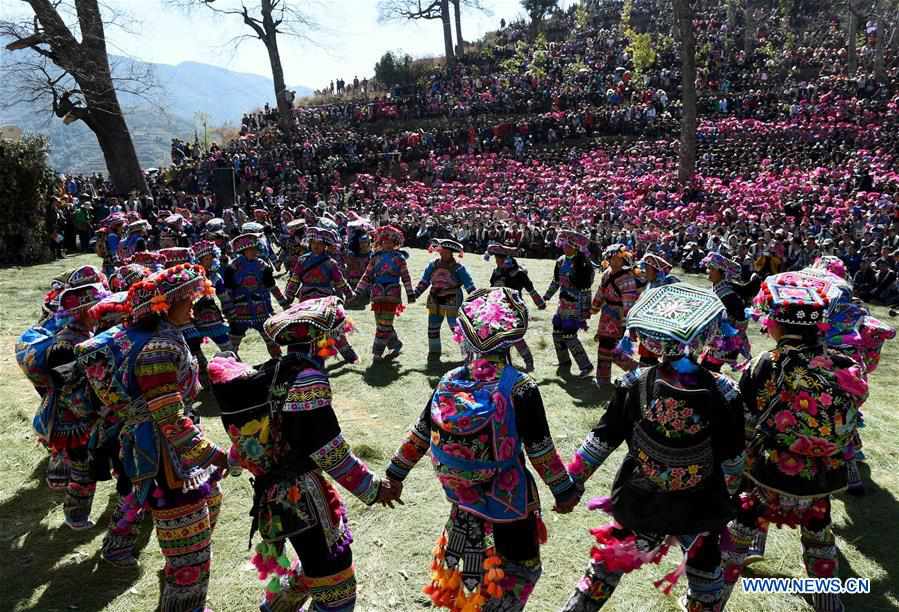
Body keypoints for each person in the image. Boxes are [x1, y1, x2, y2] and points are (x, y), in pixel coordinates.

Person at [386, 287, 580, 612]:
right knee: (520, 571)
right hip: (510, 505)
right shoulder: (520, 386)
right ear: (512, 338)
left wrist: (395, 475)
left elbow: (420, 433)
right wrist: (563, 492)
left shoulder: (449, 380)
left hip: (463, 500)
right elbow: (540, 450)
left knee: (471, 574)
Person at [562, 283, 745, 612]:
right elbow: (733, 460)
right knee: (705, 581)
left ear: (651, 338)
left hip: (640, 497)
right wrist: (728, 497)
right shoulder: (726, 392)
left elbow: (602, 438)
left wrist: (572, 481)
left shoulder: (634, 382)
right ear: (706, 337)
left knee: (605, 569)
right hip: (701, 505)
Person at [214, 296, 399, 612]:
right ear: (321, 338)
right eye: (335, 334)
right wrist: (375, 489)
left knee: (315, 566)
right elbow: (330, 452)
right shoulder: (307, 378)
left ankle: (273, 608)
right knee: (336, 589)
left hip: (274, 496)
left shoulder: (274, 371)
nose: (339, 340)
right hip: (302, 497)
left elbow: (258, 431)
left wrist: (231, 461)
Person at [720, 272, 867, 612]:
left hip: (769, 472)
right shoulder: (841, 364)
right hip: (823, 473)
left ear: (777, 325)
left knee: (740, 531)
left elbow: (745, 421)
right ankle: (828, 603)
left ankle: (710, 599)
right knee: (819, 534)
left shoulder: (766, 364)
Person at [118, 264, 228, 612]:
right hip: (166, 460)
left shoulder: (168, 338)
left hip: (174, 455)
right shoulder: (158, 350)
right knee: (188, 545)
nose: (193, 305)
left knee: (197, 531)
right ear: (163, 306)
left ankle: (181, 601)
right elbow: (170, 420)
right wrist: (214, 454)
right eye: (185, 300)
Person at [354, 225, 416, 360]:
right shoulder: (375, 257)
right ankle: (396, 344)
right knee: (381, 323)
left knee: (384, 324)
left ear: (395, 243)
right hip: (377, 293)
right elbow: (367, 275)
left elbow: (406, 276)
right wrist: (358, 291)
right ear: (380, 242)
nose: (387, 244)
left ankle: (377, 352)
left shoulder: (400, 258)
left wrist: (410, 293)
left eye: (390, 242)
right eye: (384, 241)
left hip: (392, 294)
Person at [223, 232, 287, 358]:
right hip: (239, 313)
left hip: (261, 310)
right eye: (251, 249)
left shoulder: (263, 266)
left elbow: (272, 287)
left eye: (255, 249)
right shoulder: (232, 268)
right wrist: (228, 312)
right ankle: (230, 368)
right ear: (243, 251)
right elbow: (227, 292)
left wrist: (284, 304)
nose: (254, 252)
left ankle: (278, 363)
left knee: (271, 340)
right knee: (232, 345)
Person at [486, 242, 546, 371]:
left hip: (514, 310)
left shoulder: (518, 273)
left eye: (499, 259)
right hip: (497, 310)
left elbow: (531, 289)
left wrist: (540, 303)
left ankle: (529, 362)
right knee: (497, 337)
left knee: (516, 338)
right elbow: (492, 289)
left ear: (506, 259)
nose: (497, 262)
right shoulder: (496, 272)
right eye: (496, 259)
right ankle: (500, 364)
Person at [413, 238, 476, 359]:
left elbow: (469, 283)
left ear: (451, 253)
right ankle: (434, 352)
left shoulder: (458, 268)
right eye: (441, 251)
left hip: (452, 300)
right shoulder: (433, 265)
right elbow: (425, 281)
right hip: (435, 299)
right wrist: (415, 294)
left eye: (446, 252)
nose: (443, 254)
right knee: (433, 326)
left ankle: (468, 353)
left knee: (456, 327)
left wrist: (475, 298)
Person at [543, 229, 594, 378]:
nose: (564, 247)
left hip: (576, 305)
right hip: (563, 304)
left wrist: (585, 313)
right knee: (557, 332)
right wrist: (546, 296)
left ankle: (586, 366)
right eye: (563, 244)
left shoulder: (583, 263)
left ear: (575, 246)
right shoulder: (560, 261)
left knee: (570, 335)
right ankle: (564, 361)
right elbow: (556, 281)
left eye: (568, 244)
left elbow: (586, 289)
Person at [591, 244, 641, 387]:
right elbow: (601, 292)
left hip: (618, 318)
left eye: (617, 259)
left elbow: (629, 303)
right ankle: (603, 379)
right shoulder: (606, 273)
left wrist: (626, 324)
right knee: (603, 347)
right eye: (611, 258)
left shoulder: (627, 279)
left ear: (624, 260)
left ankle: (638, 372)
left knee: (614, 351)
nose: (614, 261)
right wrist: (593, 308)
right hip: (606, 315)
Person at [699, 252, 751, 372]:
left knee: (708, 371)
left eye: (711, 268)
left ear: (722, 273)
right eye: (708, 268)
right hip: (714, 341)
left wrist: (733, 338)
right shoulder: (716, 290)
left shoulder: (728, 295)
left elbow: (741, 321)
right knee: (706, 371)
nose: (708, 271)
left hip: (724, 343)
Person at [632, 254, 679, 366]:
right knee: (647, 360)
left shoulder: (669, 282)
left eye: (647, 269)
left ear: (656, 271)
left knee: (668, 362)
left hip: (665, 330)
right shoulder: (650, 284)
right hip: (649, 330)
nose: (644, 272)